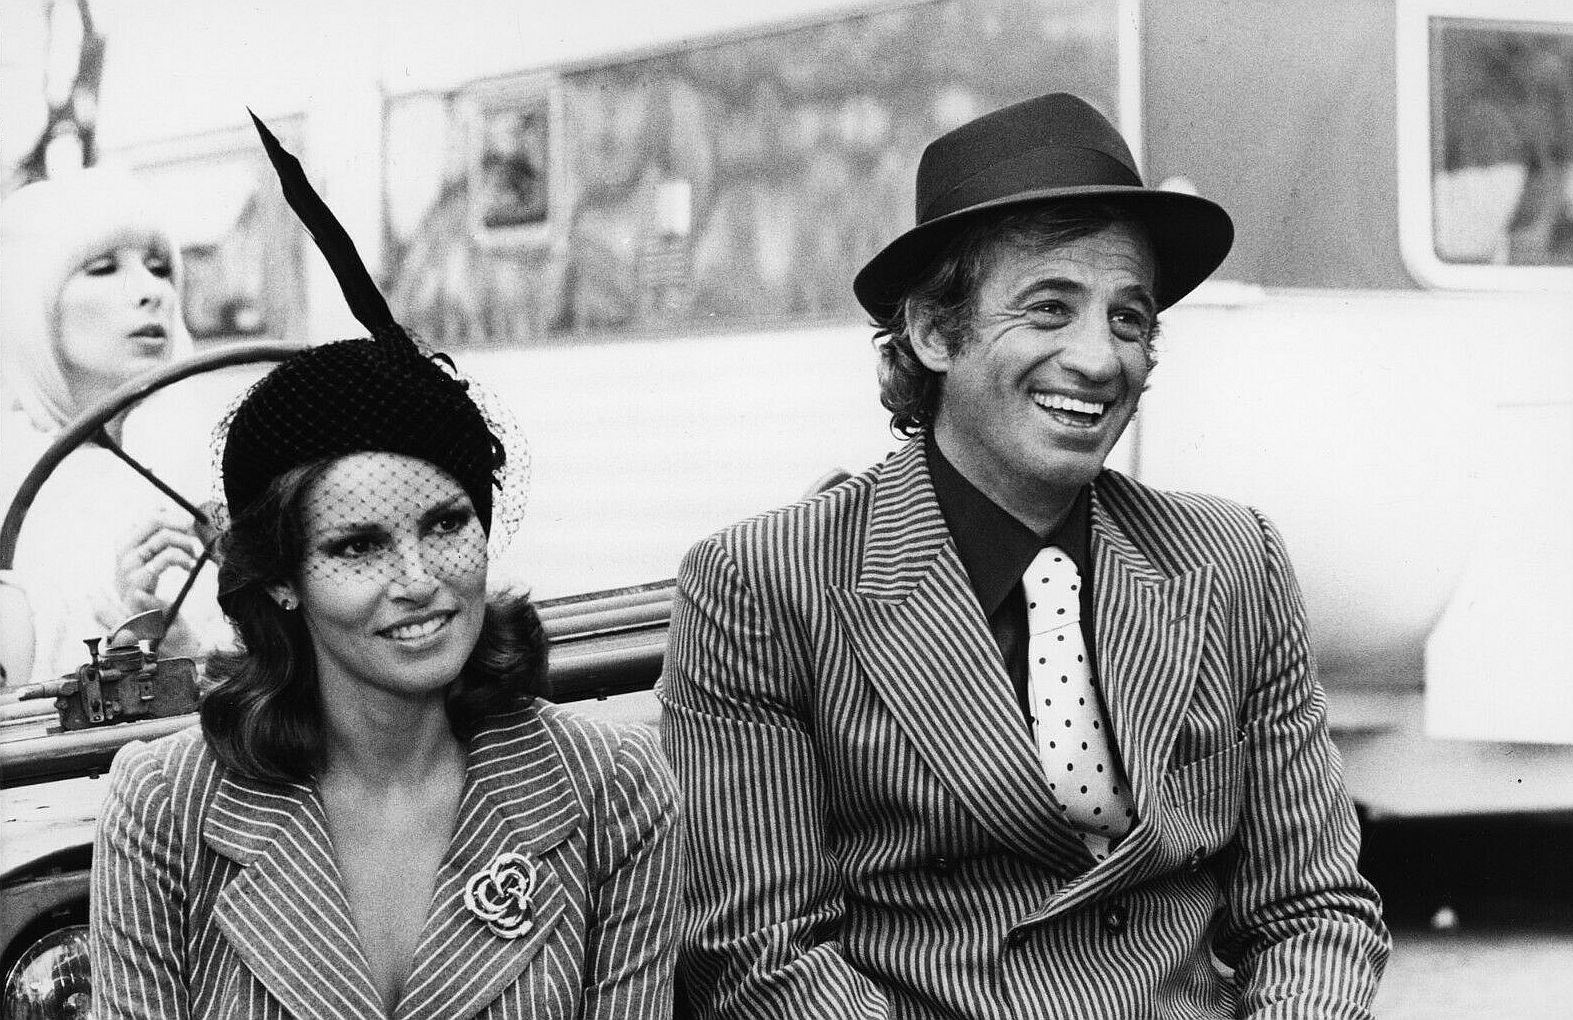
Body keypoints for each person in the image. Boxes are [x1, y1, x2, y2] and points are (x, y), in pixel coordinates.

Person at [660, 93, 1390, 1018]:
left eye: (1128, 319)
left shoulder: (1231, 561)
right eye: (1049, 309)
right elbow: (759, 957)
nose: (1099, 359)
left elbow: (1313, 908)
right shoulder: (768, 582)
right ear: (933, 333)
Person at [88, 117, 682, 1020]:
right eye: (357, 545)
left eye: (446, 524)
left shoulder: (611, 791)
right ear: (281, 575)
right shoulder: (166, 805)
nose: (417, 579)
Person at [0, 169, 205, 684]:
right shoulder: (13, 483)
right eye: (102, 269)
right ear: (30, 301)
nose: (152, 292)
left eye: (160, 268)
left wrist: (189, 655)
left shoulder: (192, 461)